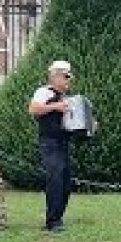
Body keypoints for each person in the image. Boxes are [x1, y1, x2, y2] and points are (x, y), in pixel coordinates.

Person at [28, 60, 75, 233]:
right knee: (55, 180)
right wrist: (56, 106)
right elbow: (33, 109)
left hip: (63, 143)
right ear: (55, 76)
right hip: (49, 142)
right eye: (66, 76)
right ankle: (52, 221)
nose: (68, 80)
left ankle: (58, 217)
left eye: (69, 77)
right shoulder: (43, 92)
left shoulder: (69, 98)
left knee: (66, 182)